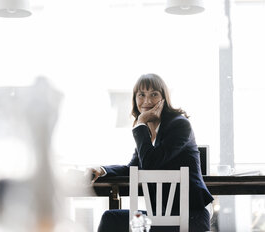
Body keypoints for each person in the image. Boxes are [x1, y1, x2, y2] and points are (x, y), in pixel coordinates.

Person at [91, 73, 213, 232]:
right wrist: (102, 170)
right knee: (111, 218)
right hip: (160, 218)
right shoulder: (148, 133)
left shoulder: (179, 125)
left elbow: (150, 163)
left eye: (154, 94)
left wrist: (141, 123)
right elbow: (134, 167)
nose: (147, 101)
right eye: (141, 95)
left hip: (191, 218)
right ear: (135, 99)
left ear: (164, 99)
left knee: (111, 220)